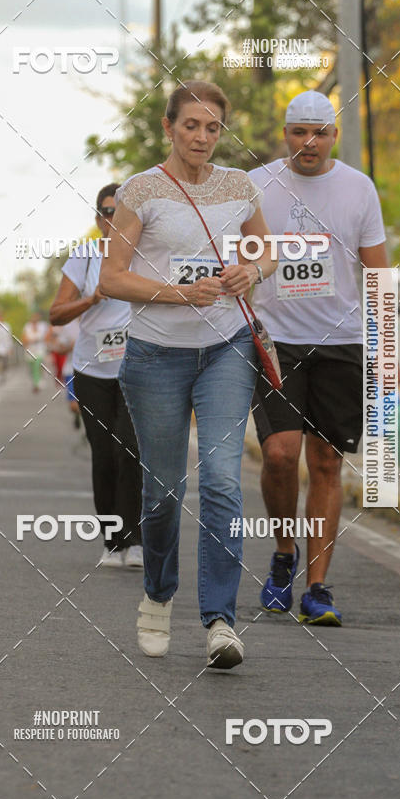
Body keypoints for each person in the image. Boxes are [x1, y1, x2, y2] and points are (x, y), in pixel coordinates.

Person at [99, 80, 277, 669]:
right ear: (169, 127)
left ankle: (221, 620)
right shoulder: (141, 190)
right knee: (165, 489)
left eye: (212, 127)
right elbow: (113, 279)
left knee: (224, 479)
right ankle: (156, 594)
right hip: (155, 356)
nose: (202, 137)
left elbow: (265, 251)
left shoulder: (240, 186)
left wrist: (250, 274)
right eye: (191, 126)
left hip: (227, 348)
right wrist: (180, 294)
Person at [249, 89, 389, 626]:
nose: (309, 142)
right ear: (285, 134)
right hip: (276, 340)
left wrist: (382, 351)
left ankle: (318, 587)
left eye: (320, 132)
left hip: (342, 341)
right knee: (281, 454)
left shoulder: (358, 188)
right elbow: (238, 256)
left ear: (335, 135)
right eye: (299, 132)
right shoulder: (258, 185)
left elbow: (376, 273)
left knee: (327, 462)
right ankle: (284, 553)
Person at [49, 185, 143, 569]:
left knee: (131, 451)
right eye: (106, 212)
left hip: (137, 371)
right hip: (92, 371)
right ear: (98, 219)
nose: (113, 219)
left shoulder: (148, 256)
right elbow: (56, 314)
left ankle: (134, 540)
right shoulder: (84, 258)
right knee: (103, 456)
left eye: (120, 211)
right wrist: (90, 300)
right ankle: (112, 541)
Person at [21, 312, 48, 393]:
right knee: (32, 369)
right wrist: (27, 342)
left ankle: (37, 384)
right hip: (30, 351)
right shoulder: (27, 326)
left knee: (37, 365)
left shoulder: (43, 325)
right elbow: (24, 337)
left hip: (40, 350)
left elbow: (48, 334)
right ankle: (35, 382)